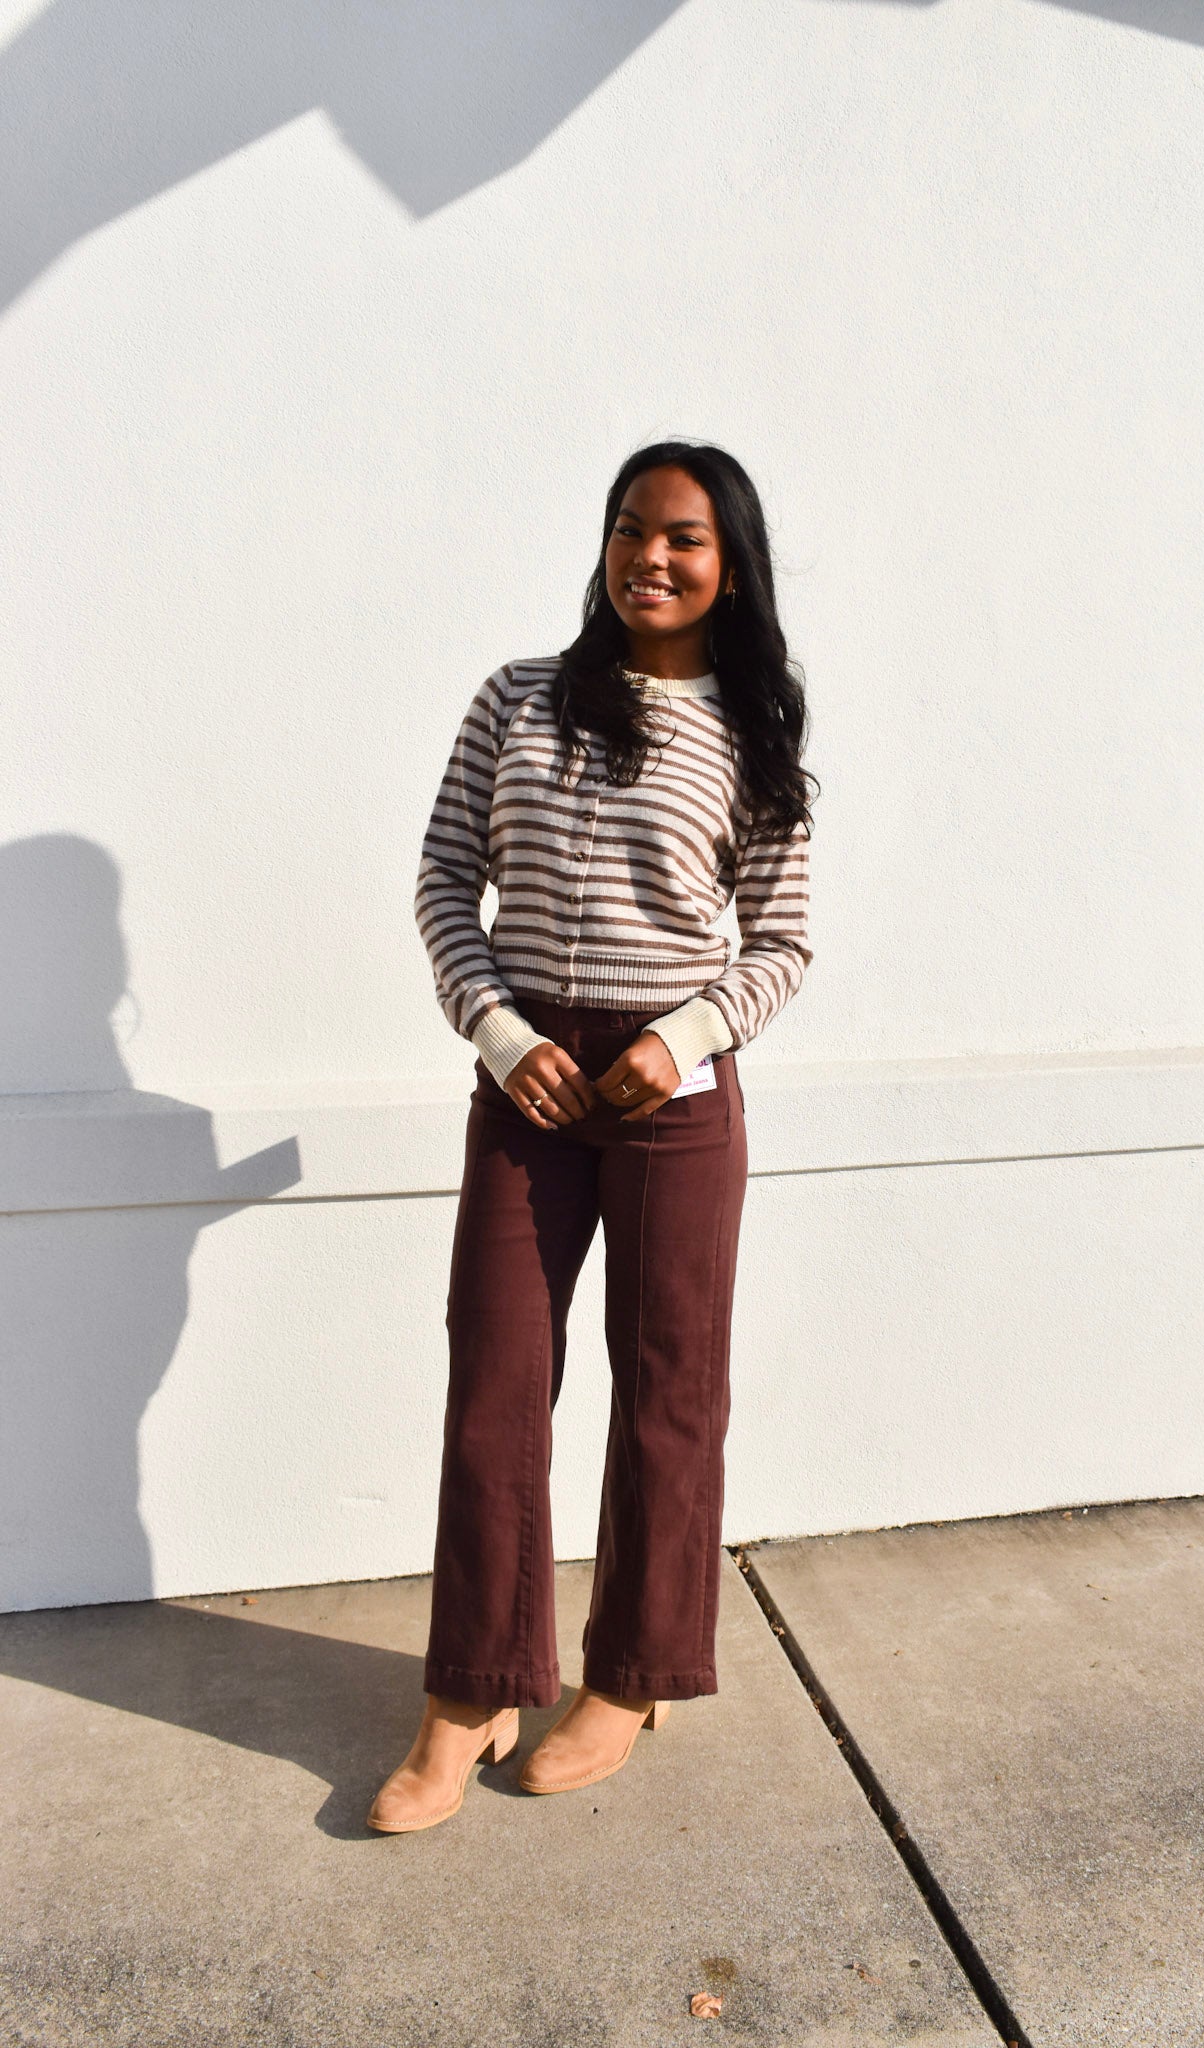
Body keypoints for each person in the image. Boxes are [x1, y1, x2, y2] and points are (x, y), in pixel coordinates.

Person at [367, 439, 817, 1833]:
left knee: (670, 1388)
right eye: (630, 528)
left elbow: (783, 943)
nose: (650, 557)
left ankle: (630, 1678)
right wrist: (501, 1035)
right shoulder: (517, 698)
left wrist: (681, 1040)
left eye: (683, 536)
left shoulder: (753, 732)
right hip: (529, 1081)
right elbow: (445, 878)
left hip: (672, 1092)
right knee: (495, 1378)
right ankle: (471, 1693)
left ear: (730, 564)